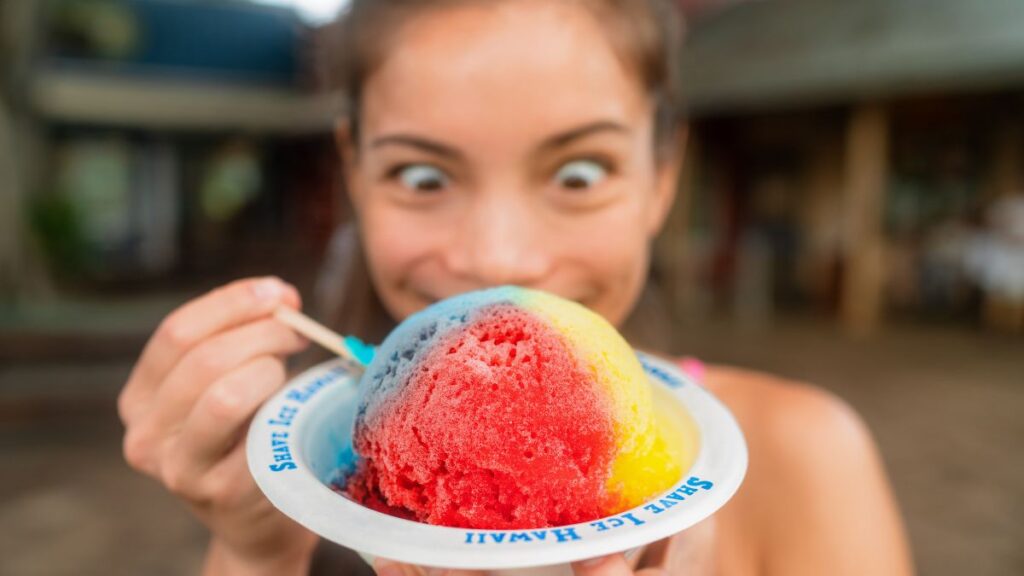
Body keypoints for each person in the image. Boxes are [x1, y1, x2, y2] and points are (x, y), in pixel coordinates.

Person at [117, 1, 914, 574]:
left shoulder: (807, 458)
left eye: (579, 171)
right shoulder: (327, 472)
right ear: (353, 171)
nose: (500, 259)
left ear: (663, 176)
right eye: (421, 175)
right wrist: (256, 553)